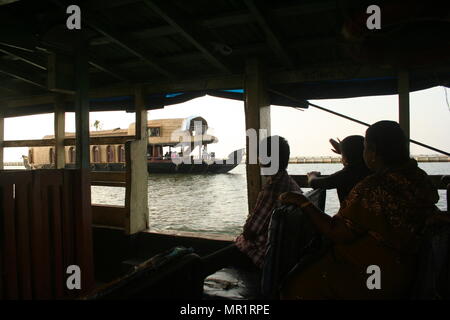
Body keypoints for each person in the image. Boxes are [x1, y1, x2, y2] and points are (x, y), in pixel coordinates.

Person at [278, 120, 439, 299]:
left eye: (365, 148)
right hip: (410, 268)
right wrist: (347, 151)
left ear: (373, 152)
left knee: (295, 285)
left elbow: (337, 232)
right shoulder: (419, 178)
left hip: (375, 274)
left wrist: (303, 202)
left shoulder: (373, 188)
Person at [201, 136, 302, 275]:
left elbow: (249, 232)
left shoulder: (272, 189)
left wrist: (249, 221)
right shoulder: (291, 184)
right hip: (282, 255)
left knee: (205, 264)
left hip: (261, 256)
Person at [307, 135, 371, 204]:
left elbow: (314, 183)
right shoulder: (373, 170)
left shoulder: (346, 175)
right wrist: (344, 150)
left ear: (345, 158)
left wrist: (312, 175)